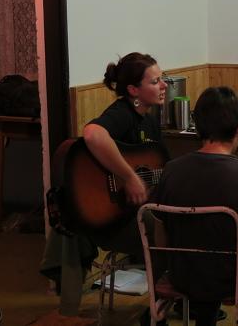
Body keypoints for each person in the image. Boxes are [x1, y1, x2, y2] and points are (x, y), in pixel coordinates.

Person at [40, 52, 168, 322]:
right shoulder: (122, 113)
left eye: (162, 79)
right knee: (165, 226)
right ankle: (162, 304)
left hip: (124, 215)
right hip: (112, 220)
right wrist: (130, 177)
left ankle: (165, 302)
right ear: (134, 90)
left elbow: (157, 169)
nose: (164, 85)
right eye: (156, 81)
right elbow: (92, 133)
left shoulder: (150, 120)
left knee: (169, 218)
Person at [153, 86, 238, 326]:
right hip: (229, 279)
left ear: (197, 124)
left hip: (182, 275)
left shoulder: (170, 171)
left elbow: (161, 241)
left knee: (207, 260)